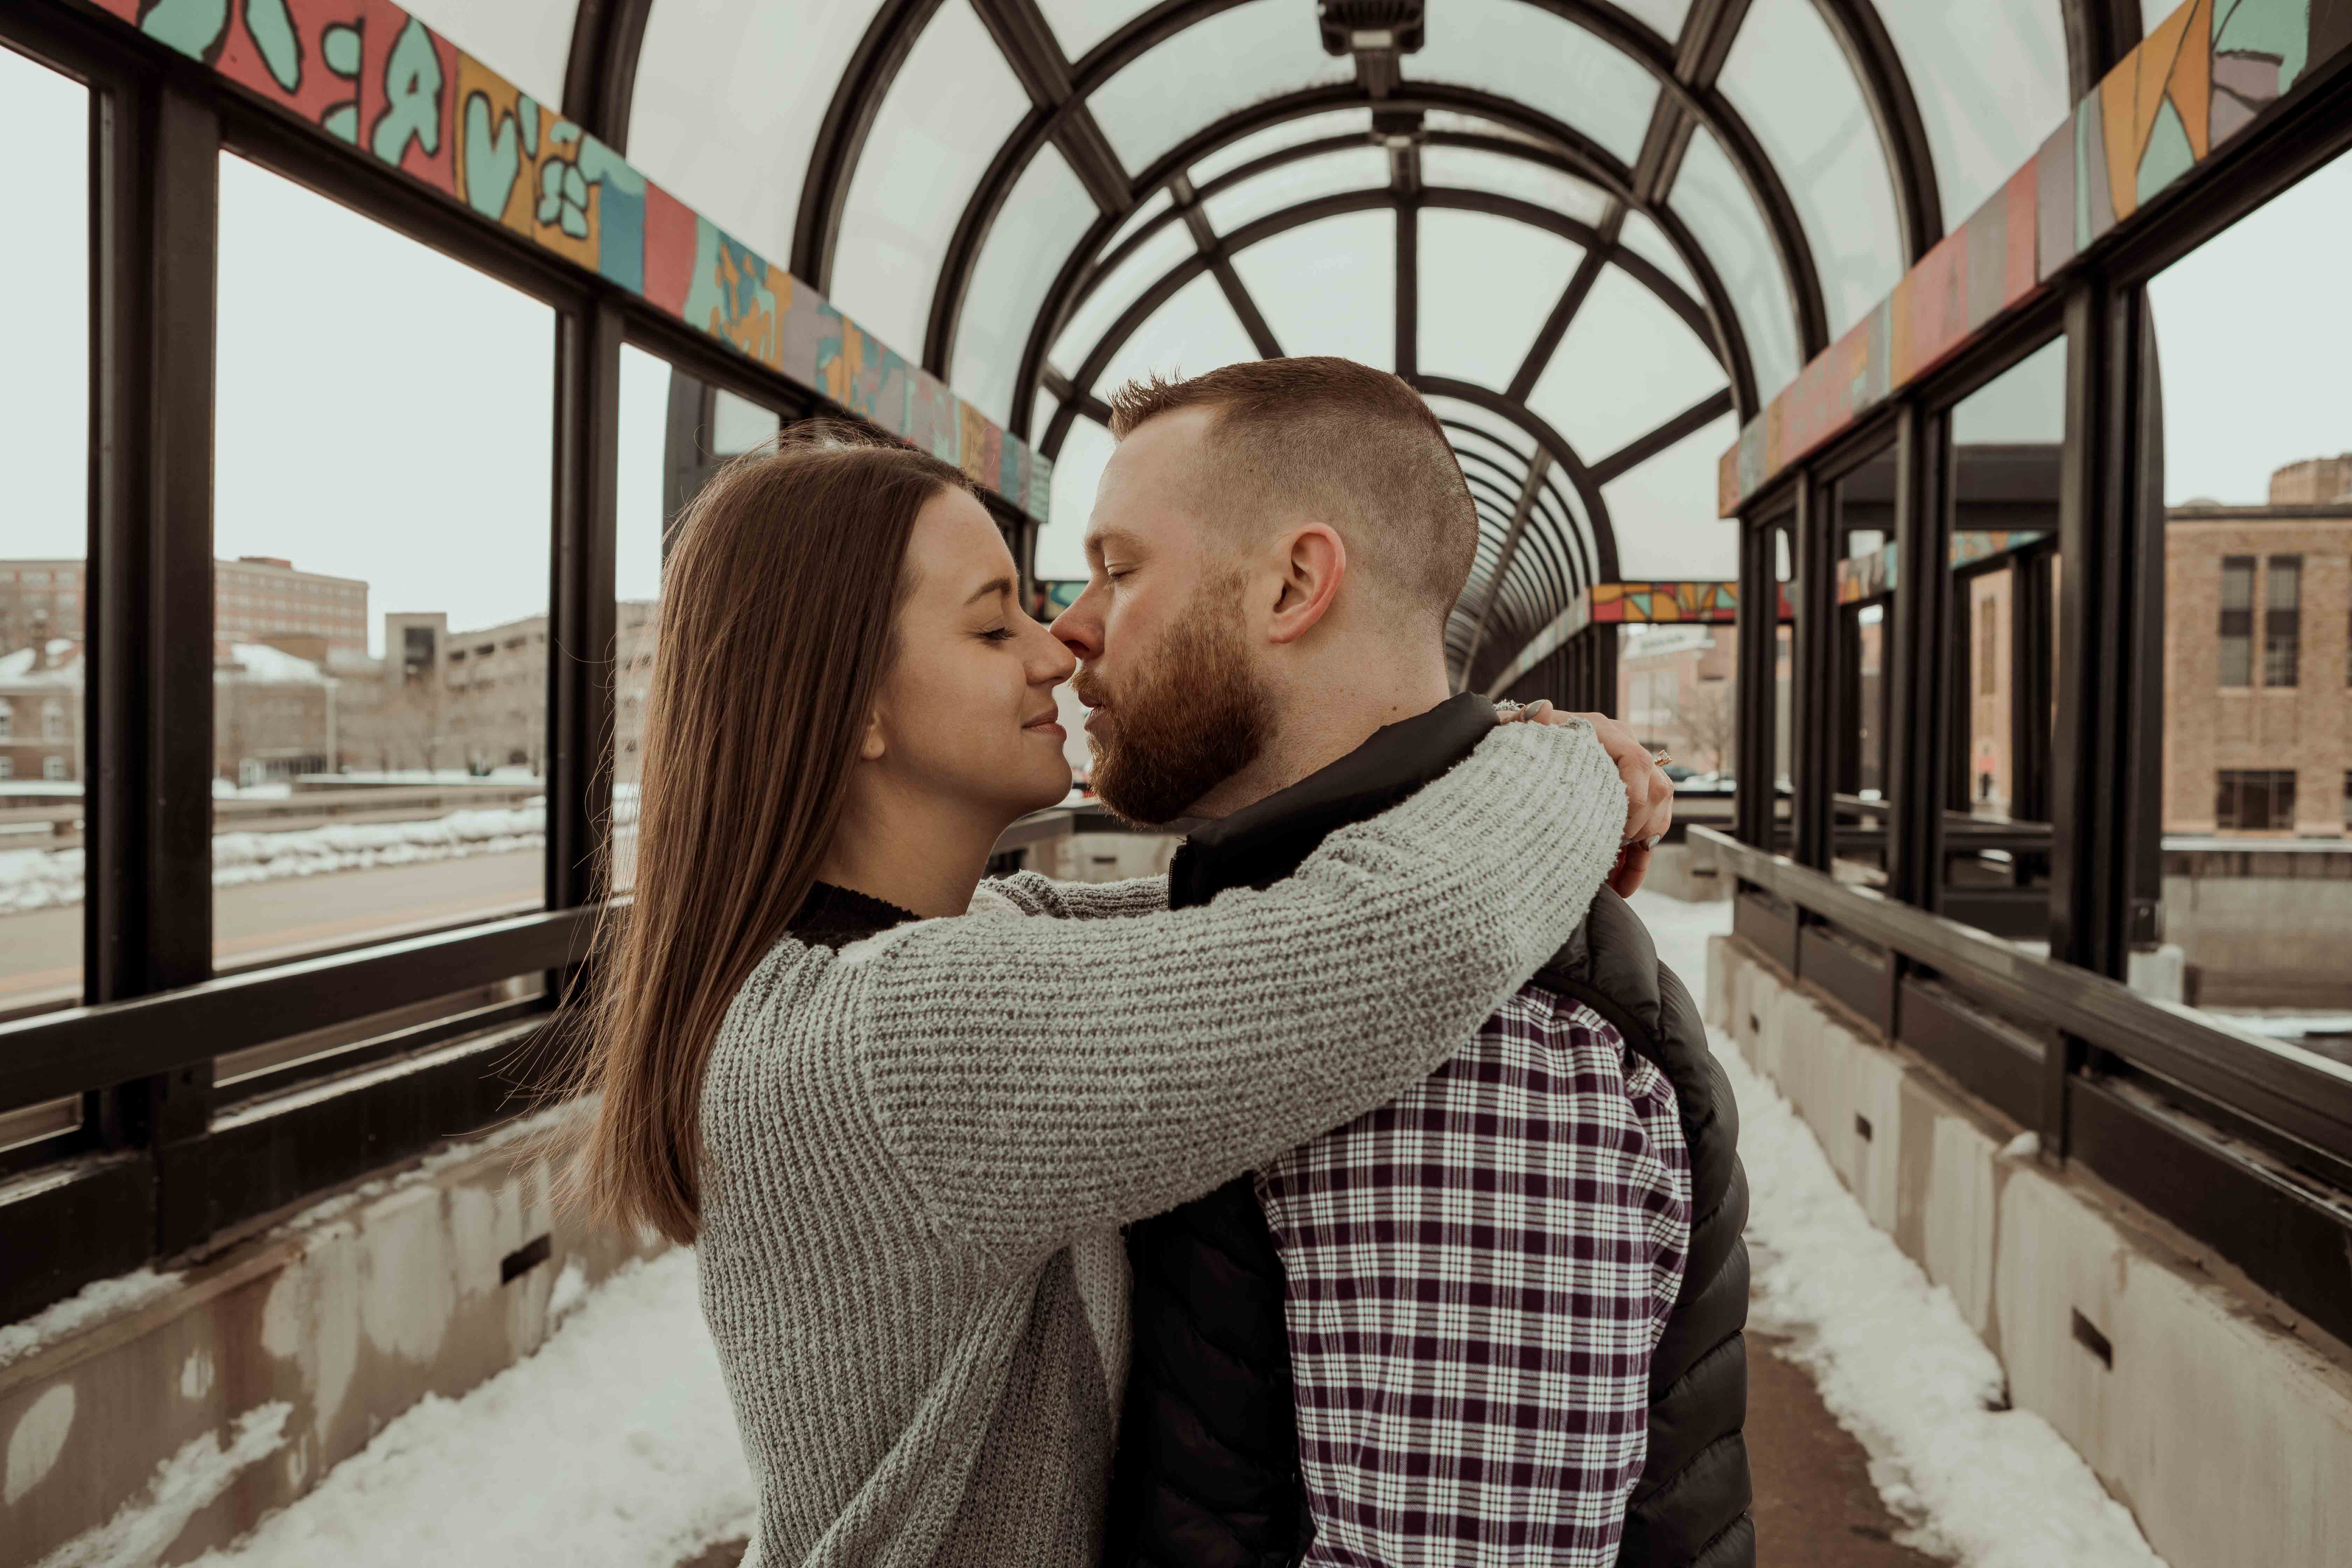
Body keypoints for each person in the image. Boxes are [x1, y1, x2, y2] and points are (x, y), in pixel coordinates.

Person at [560, 421, 1672, 1566]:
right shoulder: (896, 1041)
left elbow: (1244, 910)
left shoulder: (959, 944)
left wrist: (1524, 762)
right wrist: (1562, 766)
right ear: (855, 712)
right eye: (994, 626)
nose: (1057, 652)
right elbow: (1399, 939)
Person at [1050, 358, 1753, 1568]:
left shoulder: (1477, 1049)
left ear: (1294, 583)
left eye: (1120, 569)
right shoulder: (1305, 943)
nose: (1072, 622)